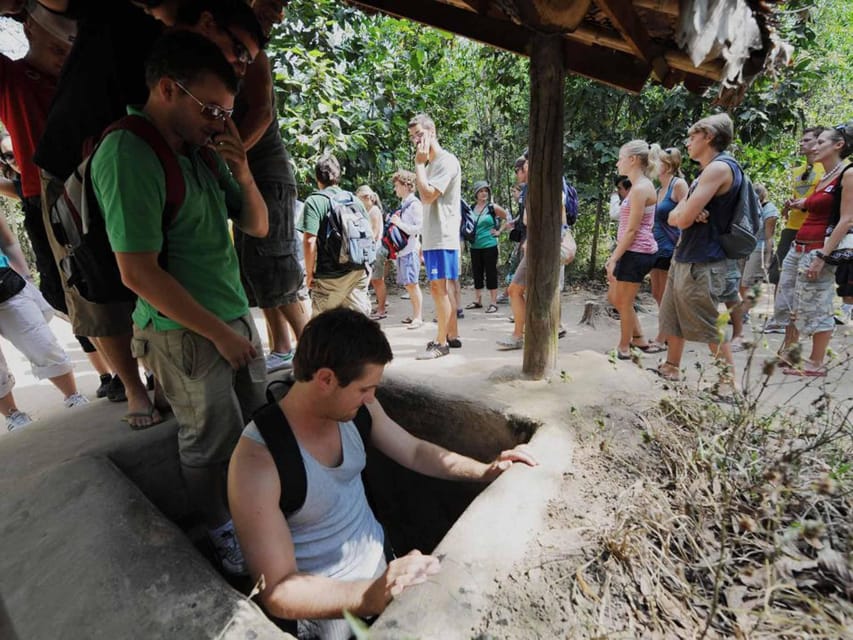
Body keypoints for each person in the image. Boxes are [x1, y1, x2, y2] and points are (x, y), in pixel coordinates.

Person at [227, 307, 537, 637]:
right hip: (330, 622)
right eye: (364, 389)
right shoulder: (257, 463)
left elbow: (415, 451)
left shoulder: (358, 409)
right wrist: (369, 595)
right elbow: (278, 590)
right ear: (326, 379)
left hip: (386, 574)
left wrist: (484, 471)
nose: (373, 398)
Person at [97, 30, 269, 574]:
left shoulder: (199, 152)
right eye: (212, 108)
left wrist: (241, 169)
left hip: (232, 316)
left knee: (252, 425)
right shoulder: (128, 150)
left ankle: (253, 511)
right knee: (209, 442)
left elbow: (257, 225)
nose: (222, 120)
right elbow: (136, 271)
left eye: (228, 111)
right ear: (168, 89)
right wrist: (218, 332)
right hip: (187, 333)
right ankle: (221, 531)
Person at [656, 113, 738, 393]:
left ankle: (728, 382)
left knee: (707, 322)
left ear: (709, 137)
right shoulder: (705, 172)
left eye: (693, 137)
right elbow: (674, 217)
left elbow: (682, 218)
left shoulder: (719, 169)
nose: (688, 143)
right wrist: (685, 211)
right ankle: (671, 366)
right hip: (685, 255)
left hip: (702, 260)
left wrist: (684, 212)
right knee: (674, 315)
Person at [0, 204, 89, 432]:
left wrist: (25, 275)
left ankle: (73, 396)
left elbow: (8, 241)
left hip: (6, 285)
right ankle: (13, 414)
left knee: (42, 342)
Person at [773, 124, 852, 377]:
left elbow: (847, 219)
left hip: (818, 248)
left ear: (838, 145)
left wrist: (822, 256)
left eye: (821, 143)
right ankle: (790, 351)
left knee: (817, 303)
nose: (814, 147)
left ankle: (816, 362)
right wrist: (801, 203)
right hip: (799, 245)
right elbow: (821, 203)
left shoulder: (847, 174)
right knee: (790, 301)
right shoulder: (825, 175)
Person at [408, 113, 462, 359]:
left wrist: (418, 165)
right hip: (432, 236)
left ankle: (441, 343)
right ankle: (451, 335)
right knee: (441, 287)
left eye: (419, 134)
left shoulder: (446, 161)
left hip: (443, 235)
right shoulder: (429, 166)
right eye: (413, 137)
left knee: (438, 287)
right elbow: (425, 202)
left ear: (433, 132)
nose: (416, 140)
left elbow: (428, 195)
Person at [298, 155, 372, 316]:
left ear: (317, 177)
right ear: (339, 175)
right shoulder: (354, 200)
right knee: (357, 325)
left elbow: (309, 240)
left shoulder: (315, 201)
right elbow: (368, 235)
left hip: (329, 276)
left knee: (323, 328)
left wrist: (309, 274)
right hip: (357, 271)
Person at [605, 140, 659, 359]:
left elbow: (632, 230)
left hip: (636, 252)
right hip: (633, 251)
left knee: (624, 302)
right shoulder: (639, 187)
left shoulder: (640, 189)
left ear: (633, 159)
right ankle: (638, 339)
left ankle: (624, 347)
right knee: (616, 298)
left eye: (620, 157)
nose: (617, 162)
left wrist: (613, 258)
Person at [649, 147, 686, 347]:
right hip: (655, 246)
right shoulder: (657, 189)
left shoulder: (678, 184)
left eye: (658, 161)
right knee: (657, 293)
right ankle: (669, 332)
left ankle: (664, 337)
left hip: (671, 246)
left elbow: (689, 211)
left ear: (668, 165)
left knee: (665, 295)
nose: (653, 165)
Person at [735, 182, 778, 347]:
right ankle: (744, 311)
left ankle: (743, 312)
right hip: (744, 246)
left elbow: (769, 237)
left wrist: (767, 259)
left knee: (749, 282)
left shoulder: (770, 211)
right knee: (739, 282)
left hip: (758, 249)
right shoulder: (747, 206)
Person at [465, 180, 507, 314]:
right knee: (477, 273)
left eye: (486, 191)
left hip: (489, 245)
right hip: (475, 246)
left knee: (491, 273)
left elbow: (508, 217)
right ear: (476, 194)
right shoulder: (471, 208)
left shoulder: (492, 207)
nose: (484, 193)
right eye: (481, 191)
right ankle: (478, 300)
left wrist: (499, 231)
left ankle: (493, 302)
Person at [388, 169, 423, 328]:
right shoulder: (404, 204)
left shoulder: (415, 205)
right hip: (403, 251)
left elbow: (418, 228)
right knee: (408, 284)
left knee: (412, 284)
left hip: (410, 250)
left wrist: (398, 223)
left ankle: (418, 317)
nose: (395, 189)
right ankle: (415, 314)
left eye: (397, 185)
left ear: (407, 186)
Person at [356, 185, 389, 320]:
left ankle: (381, 309)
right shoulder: (368, 211)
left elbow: (374, 235)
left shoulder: (374, 211)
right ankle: (380, 307)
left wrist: (359, 244)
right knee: (375, 281)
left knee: (377, 280)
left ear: (366, 198)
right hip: (372, 250)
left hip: (376, 250)